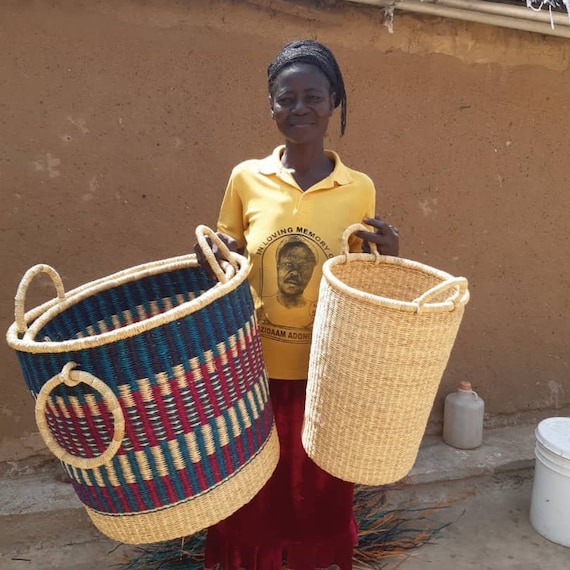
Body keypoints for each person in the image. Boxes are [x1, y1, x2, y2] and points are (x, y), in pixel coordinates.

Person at [196, 39, 399, 570]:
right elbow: (227, 257)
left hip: (326, 375)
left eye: (313, 96)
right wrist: (209, 256)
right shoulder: (246, 179)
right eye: (287, 98)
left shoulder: (358, 188)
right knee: (249, 494)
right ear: (271, 106)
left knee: (319, 495)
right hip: (251, 372)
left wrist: (390, 258)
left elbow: (360, 276)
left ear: (334, 102)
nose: (299, 108)